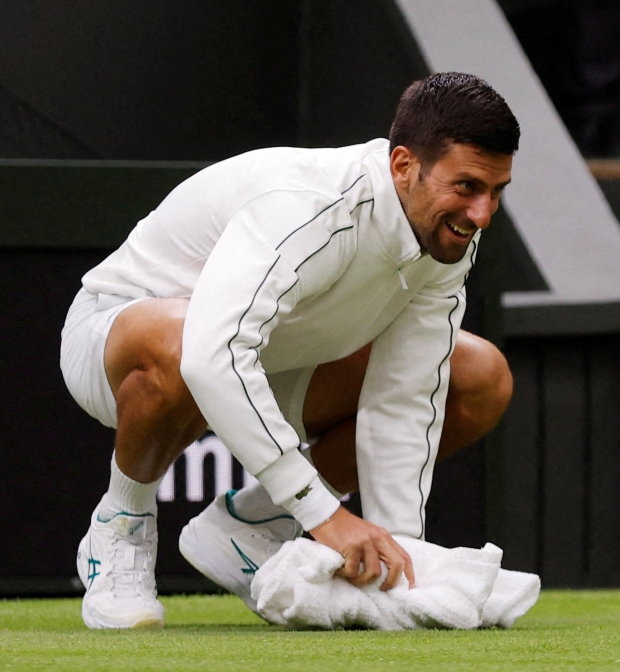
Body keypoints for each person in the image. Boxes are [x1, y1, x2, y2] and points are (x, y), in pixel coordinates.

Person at [59, 72, 519, 629]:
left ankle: (251, 525)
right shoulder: (308, 204)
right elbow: (212, 354)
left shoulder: (446, 236)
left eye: (496, 192)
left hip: (275, 358)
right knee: (187, 340)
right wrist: (324, 515)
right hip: (116, 345)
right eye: (467, 186)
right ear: (403, 166)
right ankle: (120, 526)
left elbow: (406, 393)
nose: (482, 214)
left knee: (475, 375)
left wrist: (400, 555)